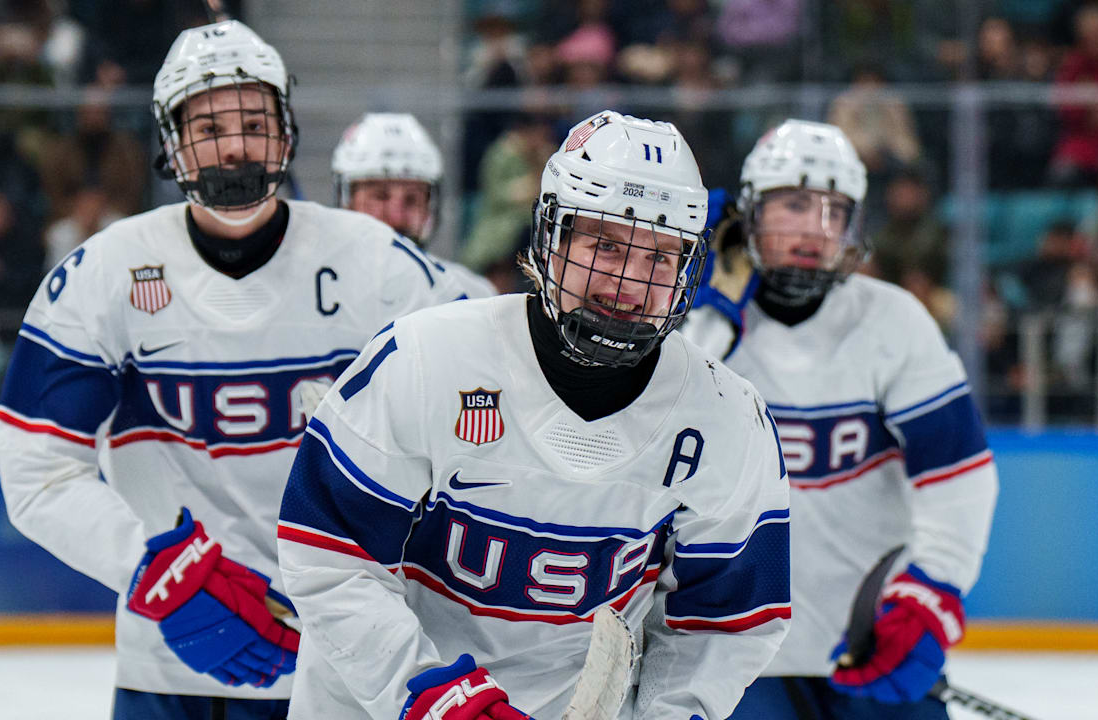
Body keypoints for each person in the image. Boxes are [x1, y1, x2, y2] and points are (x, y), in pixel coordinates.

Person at [0, 20, 466, 720]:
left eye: (254, 121)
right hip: (167, 662)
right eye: (210, 126)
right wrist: (153, 567)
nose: (237, 145)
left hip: (353, 670)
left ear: (287, 130)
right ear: (170, 141)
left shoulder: (379, 264)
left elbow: (479, 434)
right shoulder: (101, 274)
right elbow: (37, 468)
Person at [277, 110, 792, 720]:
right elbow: (332, 553)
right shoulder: (426, 357)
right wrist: (432, 697)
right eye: (606, 244)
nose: (629, 280)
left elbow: (726, 622)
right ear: (552, 237)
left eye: (660, 255)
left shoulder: (727, 417)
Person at [681, 119, 999, 719]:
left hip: (868, 646)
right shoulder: (696, 328)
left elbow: (959, 477)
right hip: (727, 658)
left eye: (834, 210)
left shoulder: (893, 321)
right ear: (746, 214)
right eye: (793, 204)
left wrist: (930, 590)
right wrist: (704, 323)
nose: (814, 227)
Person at [331, 112, 496, 298]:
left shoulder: (470, 293)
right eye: (380, 197)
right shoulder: (316, 289)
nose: (397, 216)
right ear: (347, 201)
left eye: (411, 200)